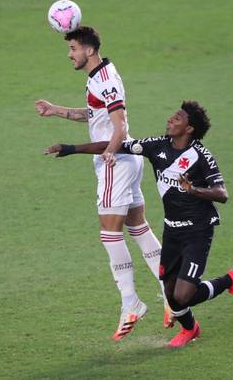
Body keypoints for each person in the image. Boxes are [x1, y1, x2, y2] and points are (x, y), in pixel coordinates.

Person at [44, 100, 233, 348]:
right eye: (172, 116)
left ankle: (231, 279)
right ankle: (191, 329)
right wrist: (71, 148)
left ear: (190, 129)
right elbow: (115, 145)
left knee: (183, 296)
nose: (171, 120)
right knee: (172, 296)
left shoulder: (201, 156)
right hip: (172, 230)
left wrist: (193, 189)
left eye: (178, 118)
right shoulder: (157, 146)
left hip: (197, 231)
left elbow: (222, 193)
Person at [35, 26, 168, 341]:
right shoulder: (100, 76)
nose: (69, 55)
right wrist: (57, 111)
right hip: (128, 160)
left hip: (116, 163)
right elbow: (96, 116)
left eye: (72, 49)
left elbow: (119, 126)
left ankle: (130, 301)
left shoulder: (106, 81)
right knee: (138, 228)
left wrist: (108, 152)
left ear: (88, 50)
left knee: (110, 234)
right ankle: (170, 293)